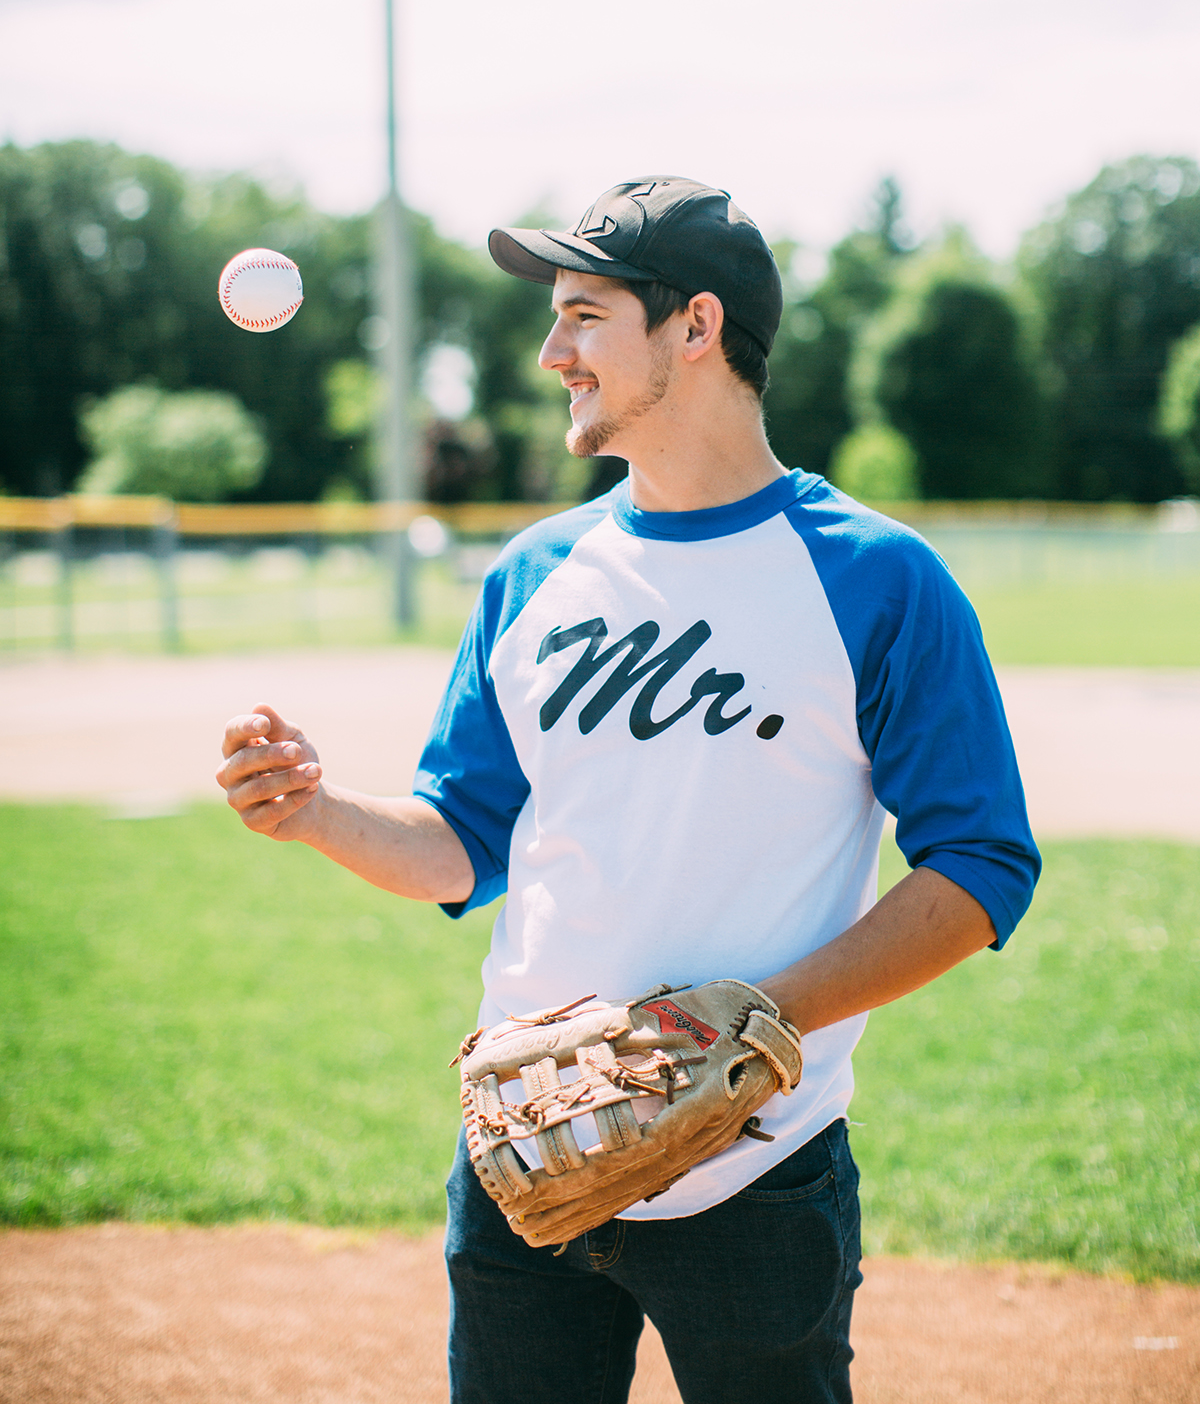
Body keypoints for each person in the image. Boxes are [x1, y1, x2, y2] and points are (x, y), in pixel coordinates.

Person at [218, 175, 1040, 1404]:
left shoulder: (875, 578)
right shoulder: (535, 571)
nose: (552, 352)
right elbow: (461, 842)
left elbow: (982, 868)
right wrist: (316, 809)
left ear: (695, 329)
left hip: (755, 1168)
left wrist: (754, 1020)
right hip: (525, 1151)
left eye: (584, 315)